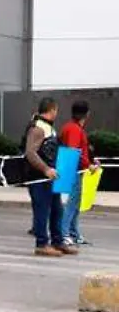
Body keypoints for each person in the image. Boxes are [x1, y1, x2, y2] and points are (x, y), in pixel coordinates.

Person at [23, 98, 78, 257]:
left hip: (50, 178)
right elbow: (30, 153)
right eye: (56, 110)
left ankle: (57, 241)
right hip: (39, 178)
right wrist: (46, 169)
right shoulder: (38, 128)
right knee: (42, 211)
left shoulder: (48, 128)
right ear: (52, 110)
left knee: (57, 210)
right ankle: (41, 244)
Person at [59, 101, 98, 246]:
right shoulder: (74, 129)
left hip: (72, 169)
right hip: (72, 171)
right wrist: (89, 165)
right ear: (87, 114)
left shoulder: (71, 127)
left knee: (74, 204)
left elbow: (79, 150)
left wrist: (91, 161)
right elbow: (73, 151)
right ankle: (64, 234)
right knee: (71, 204)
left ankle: (73, 233)